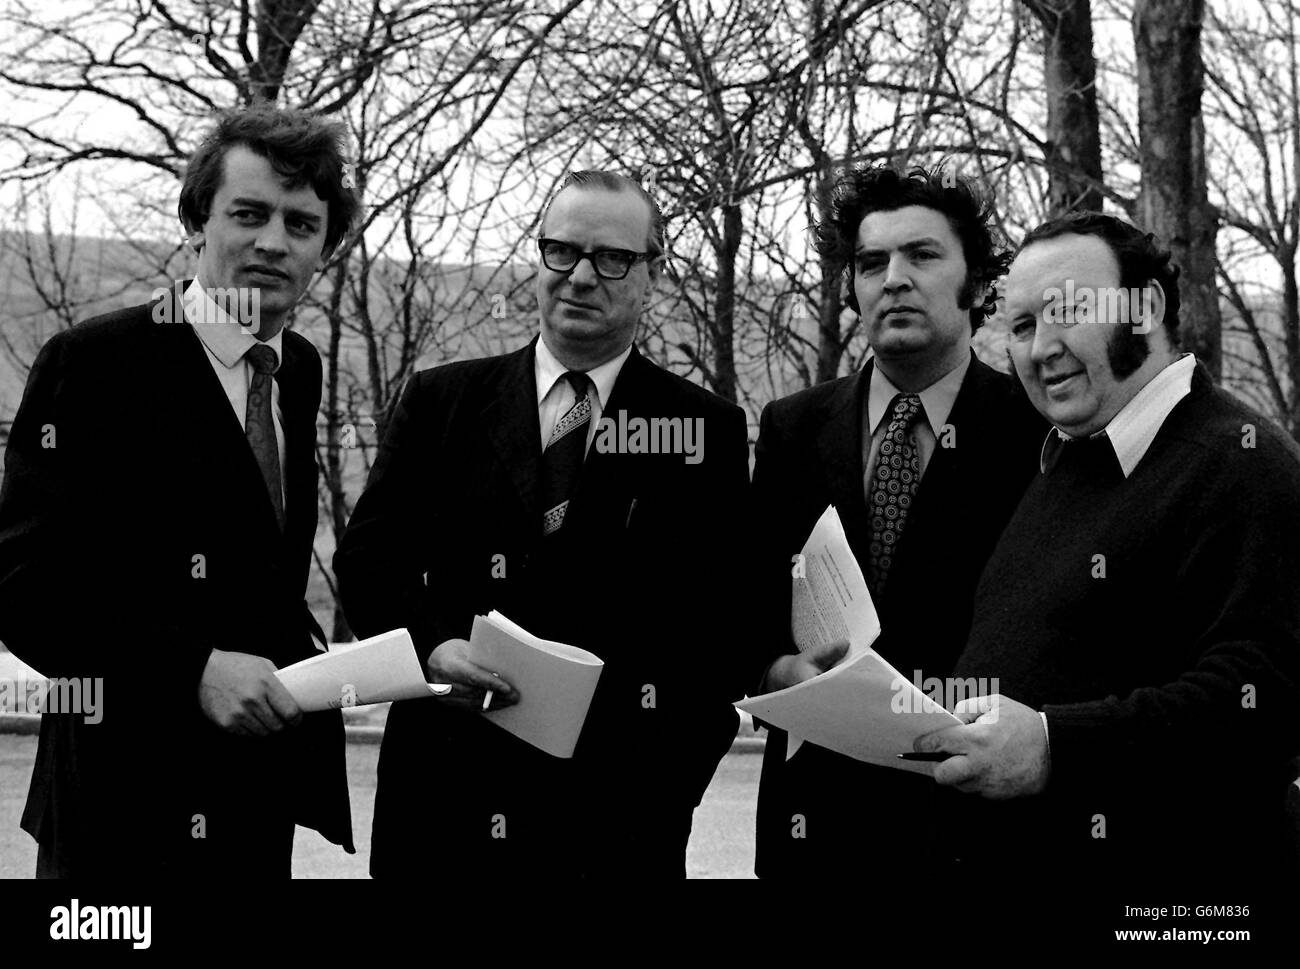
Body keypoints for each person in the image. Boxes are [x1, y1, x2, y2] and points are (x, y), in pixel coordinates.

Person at [334, 170, 751, 878]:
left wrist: (666, 791)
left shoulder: (703, 428)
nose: (581, 277)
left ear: (653, 275)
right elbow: (369, 562)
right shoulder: (444, 402)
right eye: (562, 251)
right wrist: (434, 647)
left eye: (612, 258)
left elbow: (722, 628)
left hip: (615, 828)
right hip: (441, 809)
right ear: (539, 258)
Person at [0, 104, 359, 876]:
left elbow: (260, 577)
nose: (272, 241)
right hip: (116, 811)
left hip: (252, 802)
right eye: (248, 213)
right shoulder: (92, 366)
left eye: (300, 225)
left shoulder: (295, 370)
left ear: (324, 250)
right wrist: (192, 665)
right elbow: (24, 590)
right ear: (197, 221)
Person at [918, 212, 1300, 897]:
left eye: (1067, 310)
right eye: (1024, 326)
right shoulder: (1067, 461)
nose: (1039, 350)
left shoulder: (1242, 464)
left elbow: (1263, 700)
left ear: (1146, 307)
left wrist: (1053, 746)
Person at [751, 165, 1045, 877]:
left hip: (972, 831)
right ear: (852, 288)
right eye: (872, 262)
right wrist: (780, 671)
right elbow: (746, 601)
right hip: (814, 828)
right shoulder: (792, 428)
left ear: (975, 283)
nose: (895, 278)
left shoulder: (1037, 434)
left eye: (923, 255)